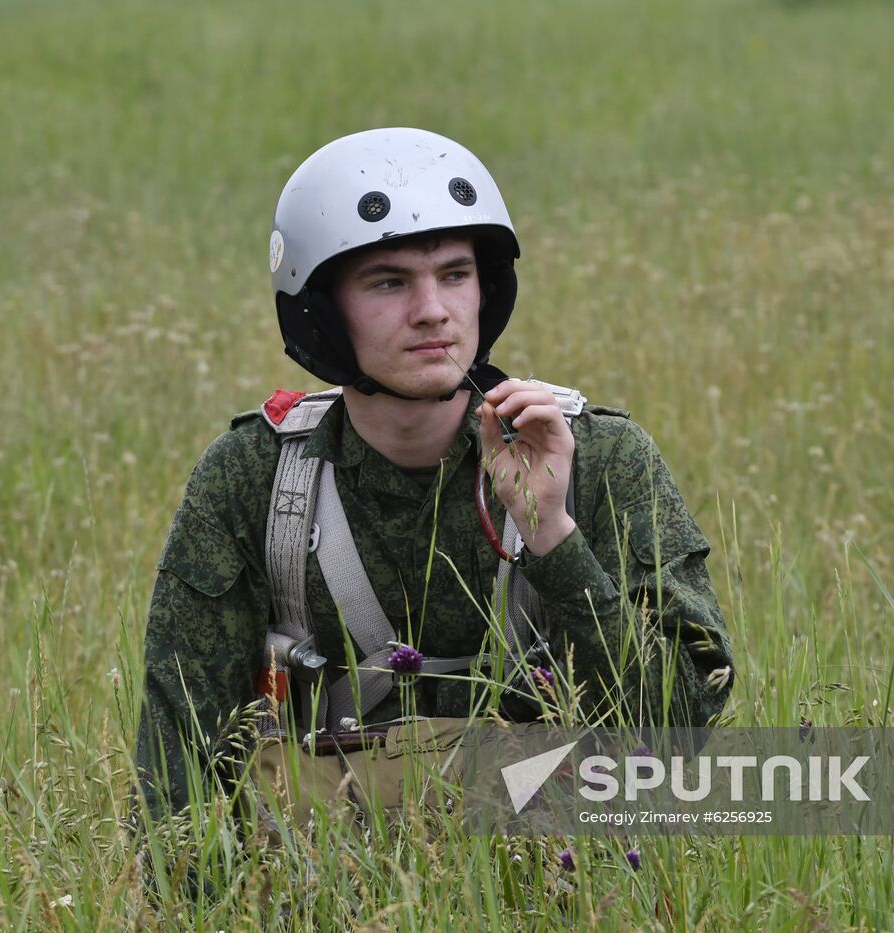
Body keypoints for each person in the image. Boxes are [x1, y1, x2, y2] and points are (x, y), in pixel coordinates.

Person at [134, 127, 734, 822]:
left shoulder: (599, 455)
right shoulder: (252, 477)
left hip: (565, 875)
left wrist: (556, 538)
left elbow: (685, 730)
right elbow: (178, 756)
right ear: (322, 312)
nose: (433, 311)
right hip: (316, 879)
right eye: (388, 282)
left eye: (454, 274)